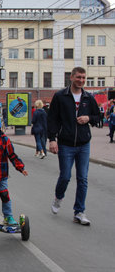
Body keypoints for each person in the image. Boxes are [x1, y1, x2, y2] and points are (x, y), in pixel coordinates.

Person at [47, 67, 99, 225]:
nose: (81, 80)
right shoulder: (60, 96)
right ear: (71, 77)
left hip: (84, 144)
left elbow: (98, 117)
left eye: (83, 78)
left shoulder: (88, 98)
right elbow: (52, 119)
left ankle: (79, 212)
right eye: (78, 77)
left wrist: (88, 118)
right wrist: (52, 139)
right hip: (66, 144)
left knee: (83, 178)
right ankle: (58, 198)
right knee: (65, 177)